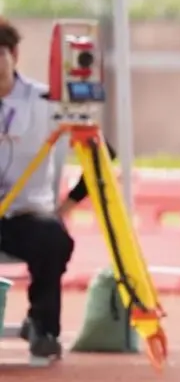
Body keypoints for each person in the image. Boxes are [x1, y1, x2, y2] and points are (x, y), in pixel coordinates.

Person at [0, 18, 111, 362]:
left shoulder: (46, 100)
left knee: (54, 240)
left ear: (14, 55)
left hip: (26, 216)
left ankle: (43, 327)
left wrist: (67, 206)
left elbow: (103, 153)